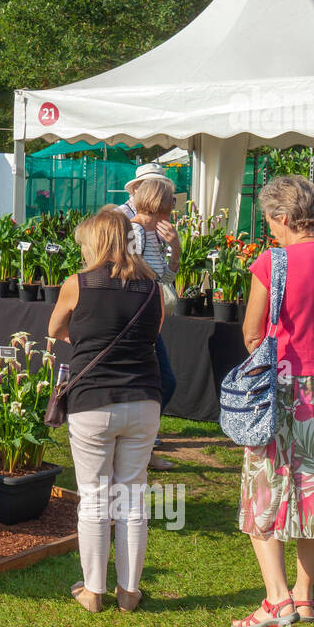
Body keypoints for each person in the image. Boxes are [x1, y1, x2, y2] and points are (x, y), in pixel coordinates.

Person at [231, 175, 314, 627]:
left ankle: (277, 598)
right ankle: (304, 597)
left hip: (283, 386)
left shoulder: (273, 261)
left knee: (264, 489)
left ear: (283, 217)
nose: (269, 228)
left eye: (269, 219)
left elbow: (251, 332)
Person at [49, 207, 163, 614]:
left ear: (95, 242)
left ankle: (93, 591)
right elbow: (156, 332)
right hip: (143, 399)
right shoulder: (152, 285)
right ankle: (129, 592)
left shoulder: (77, 283)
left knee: (95, 497)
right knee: (132, 496)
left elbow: (54, 329)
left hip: (93, 402)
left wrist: (84, 335)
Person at [118, 165, 181, 470]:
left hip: (148, 320)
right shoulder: (134, 231)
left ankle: (141, 449)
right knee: (162, 381)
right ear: (159, 205)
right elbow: (126, 275)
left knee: (157, 382)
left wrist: (176, 248)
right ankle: (140, 449)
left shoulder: (149, 233)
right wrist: (154, 283)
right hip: (138, 322)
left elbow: (167, 278)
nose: (172, 214)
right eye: (170, 207)